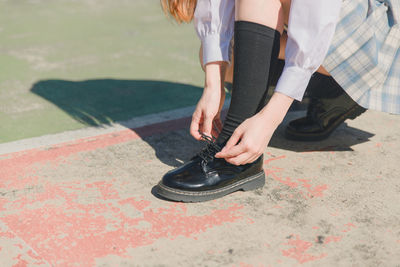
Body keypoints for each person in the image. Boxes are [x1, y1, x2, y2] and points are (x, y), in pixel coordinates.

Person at [156, 0, 400, 202]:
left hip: (377, 43)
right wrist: (213, 84)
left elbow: (316, 15)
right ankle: (338, 96)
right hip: (335, 42)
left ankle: (234, 158)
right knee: (225, 54)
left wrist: (271, 117)